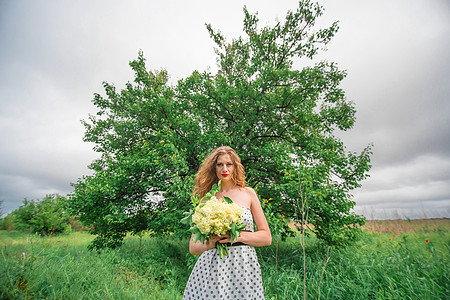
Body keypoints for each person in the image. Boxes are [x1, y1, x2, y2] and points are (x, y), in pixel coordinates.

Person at [183, 146, 272, 300]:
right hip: (213, 267)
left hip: (244, 265)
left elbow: (266, 238)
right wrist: (212, 242)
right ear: (214, 168)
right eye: (219, 164)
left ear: (235, 167)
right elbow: (193, 248)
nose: (224, 169)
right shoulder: (206, 199)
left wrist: (237, 237)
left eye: (229, 164)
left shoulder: (248, 193)